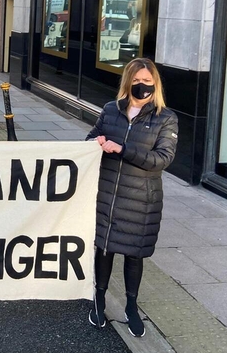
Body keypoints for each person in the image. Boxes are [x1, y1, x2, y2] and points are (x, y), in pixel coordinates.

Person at [85, 58, 178, 337]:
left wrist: (123, 149)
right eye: (136, 81)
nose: (141, 86)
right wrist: (95, 143)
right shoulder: (111, 110)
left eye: (147, 82)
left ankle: (131, 306)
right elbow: (90, 137)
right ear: (128, 82)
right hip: (107, 194)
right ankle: (99, 300)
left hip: (141, 200)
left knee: (134, 255)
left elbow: (163, 158)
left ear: (156, 84)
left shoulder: (166, 118)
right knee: (104, 248)